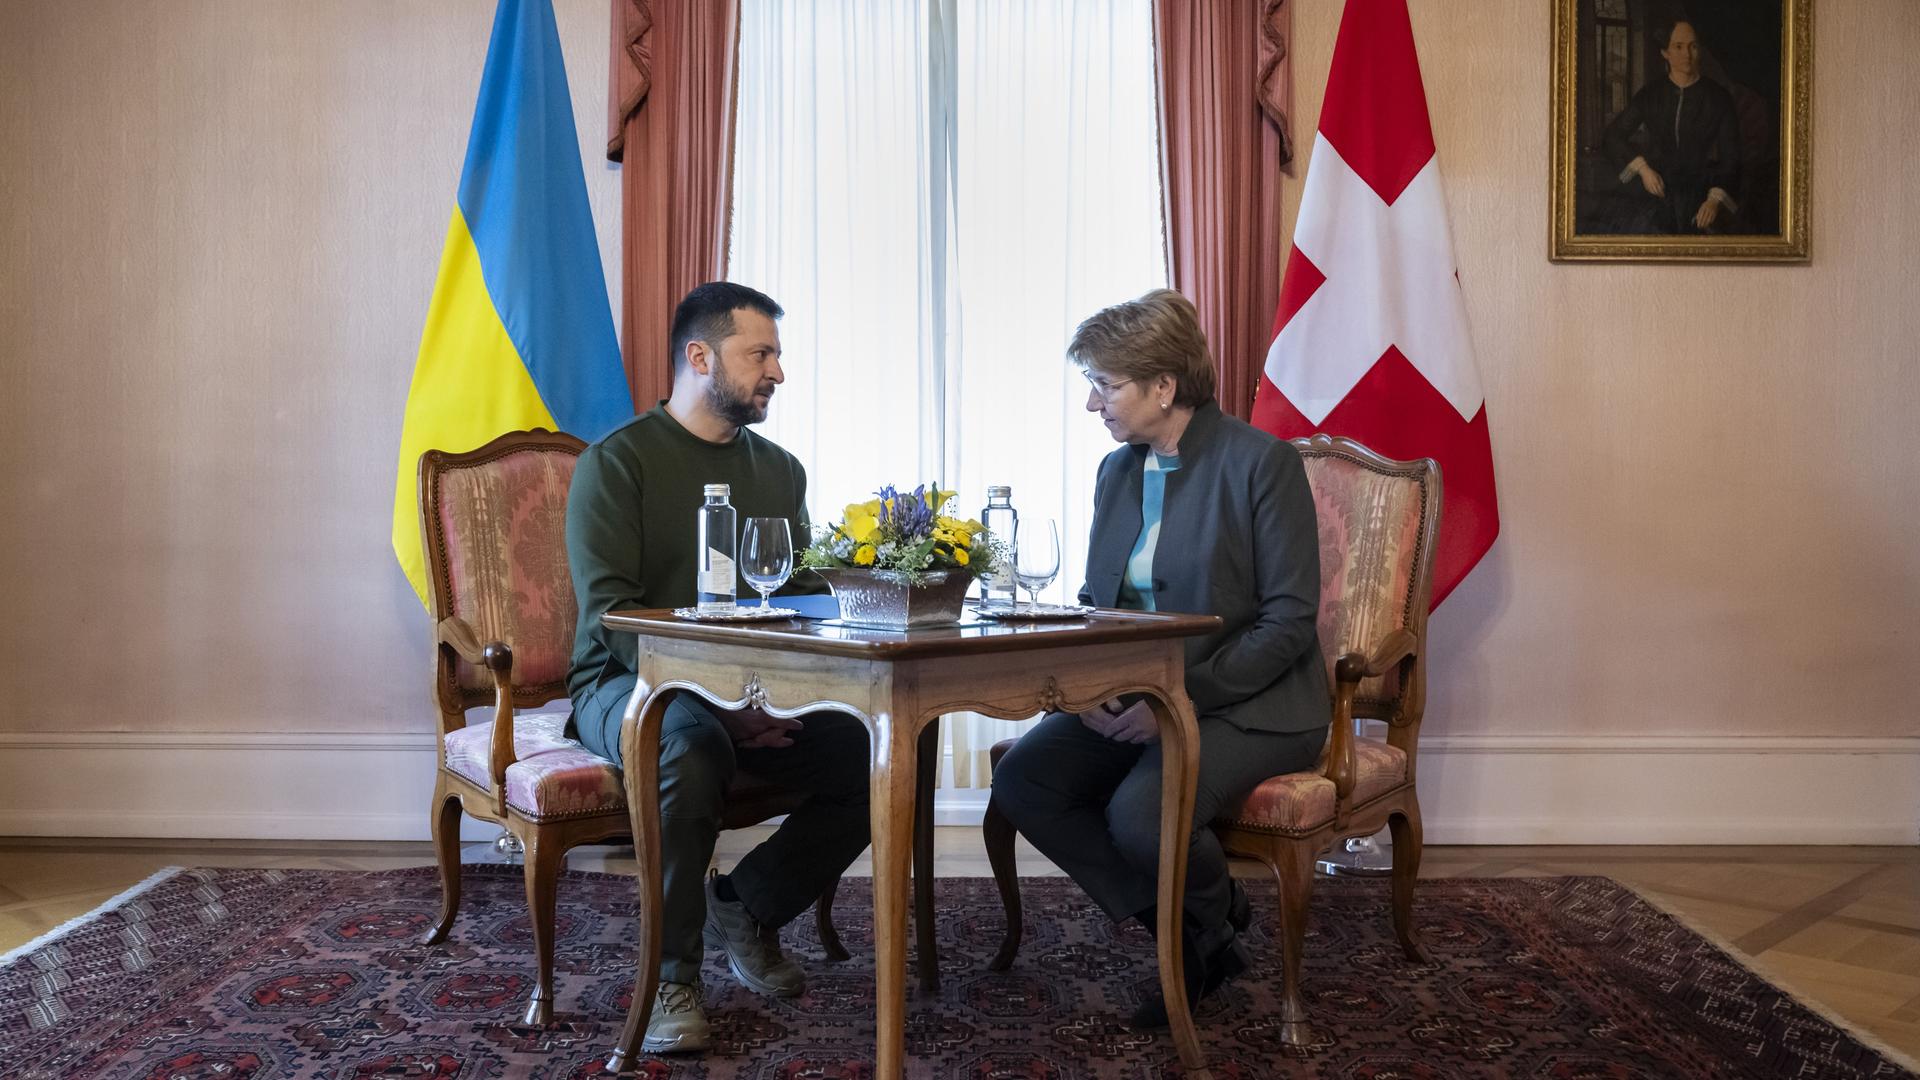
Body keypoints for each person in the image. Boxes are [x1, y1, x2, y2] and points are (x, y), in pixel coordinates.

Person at [991, 288, 1330, 1029]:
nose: (1091, 406)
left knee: (1140, 816)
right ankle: (1204, 926)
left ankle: (1196, 936)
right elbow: (1094, 598)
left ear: (1164, 386)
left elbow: (1289, 621)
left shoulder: (1260, 463)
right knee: (1024, 780)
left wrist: (1174, 704)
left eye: (1104, 386)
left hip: (1251, 703)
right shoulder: (1118, 472)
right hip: (1134, 693)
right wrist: (1085, 684)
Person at [565, 282, 871, 1054]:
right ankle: (672, 978)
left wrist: (796, 684)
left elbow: (798, 597)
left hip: (757, 690)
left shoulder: (782, 470)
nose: (777, 371)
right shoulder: (617, 464)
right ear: (700, 357)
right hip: (625, 686)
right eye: (759, 354)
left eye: (776, 354)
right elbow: (613, 618)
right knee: (691, 743)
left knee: (875, 747)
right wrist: (727, 704)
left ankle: (750, 902)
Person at [1600, 19, 1743, 234]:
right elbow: (1613, 136)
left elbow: (1731, 158)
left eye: (1693, 46)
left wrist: (1714, 200)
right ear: (1665, 52)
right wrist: (1644, 170)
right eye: (1678, 46)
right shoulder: (1651, 94)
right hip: (1656, 189)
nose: (1687, 54)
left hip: (1703, 192)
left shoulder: (1719, 98)